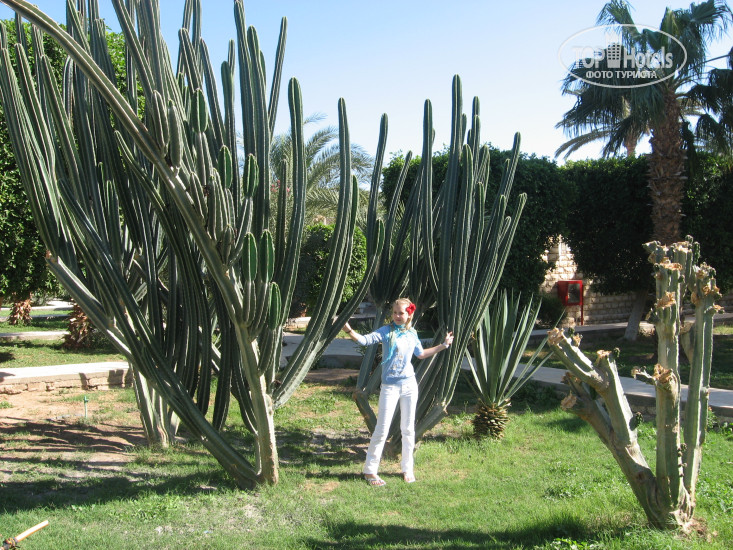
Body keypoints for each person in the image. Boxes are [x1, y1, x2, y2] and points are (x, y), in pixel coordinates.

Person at [343, 298, 454, 486]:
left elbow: (420, 354)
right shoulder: (386, 331)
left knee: (408, 429)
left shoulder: (412, 333)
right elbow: (365, 340)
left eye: (401, 313)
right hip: (390, 387)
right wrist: (348, 329)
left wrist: (444, 345)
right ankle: (370, 471)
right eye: (394, 312)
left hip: (410, 386)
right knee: (382, 430)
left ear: (409, 314)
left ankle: (407, 469)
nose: (397, 316)